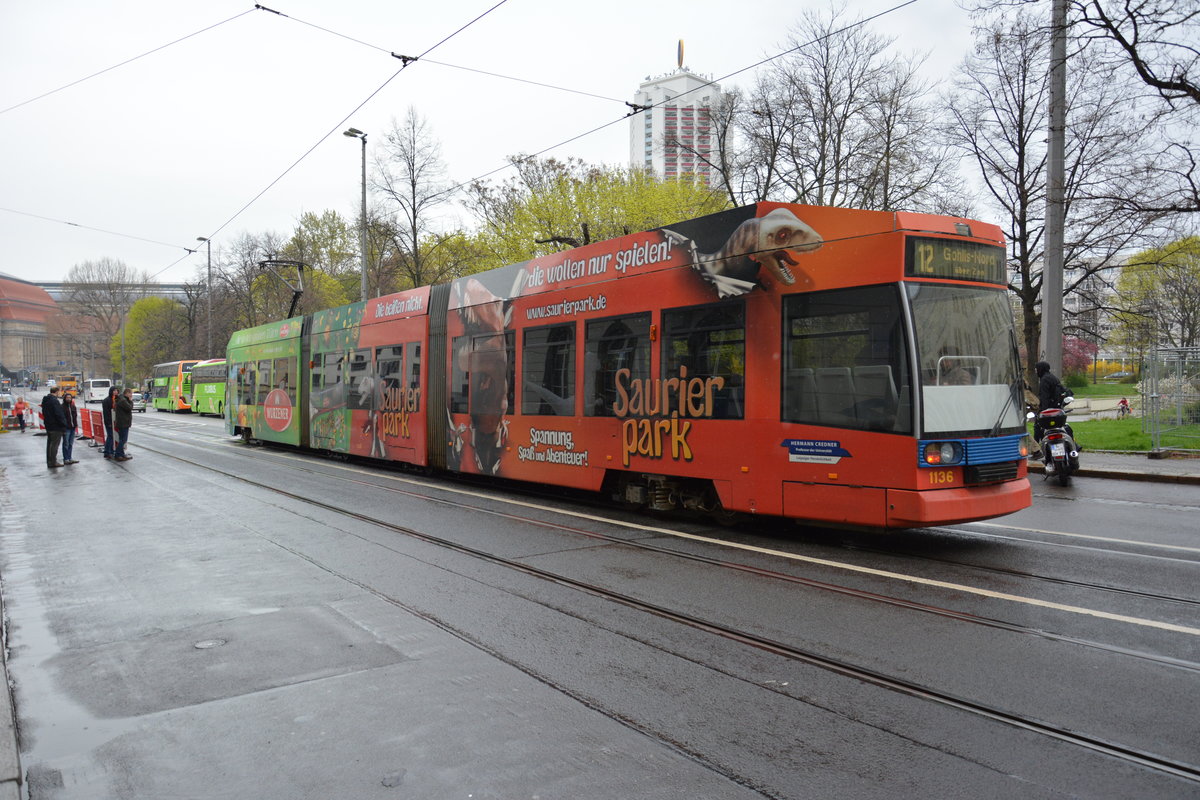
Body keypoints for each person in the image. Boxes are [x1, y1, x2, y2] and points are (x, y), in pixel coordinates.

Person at [1033, 360, 1069, 448]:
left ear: (1040, 369)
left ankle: (1037, 448)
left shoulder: (1044, 380)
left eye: (1037, 369)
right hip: (1057, 407)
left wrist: (1042, 411)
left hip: (1049, 408)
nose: (1036, 371)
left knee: (1038, 427)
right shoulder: (1053, 377)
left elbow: (1044, 396)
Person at [40, 386, 69, 468]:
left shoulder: (46, 400)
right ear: (56, 392)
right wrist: (64, 424)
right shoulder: (54, 401)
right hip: (56, 426)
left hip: (49, 425)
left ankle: (49, 461)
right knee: (54, 445)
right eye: (59, 391)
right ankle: (53, 462)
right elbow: (59, 414)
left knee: (50, 444)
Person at [113, 387, 134, 461]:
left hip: (122, 422)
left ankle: (121, 454)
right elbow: (129, 408)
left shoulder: (121, 399)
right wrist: (131, 401)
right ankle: (118, 454)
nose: (131, 395)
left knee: (122, 439)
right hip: (123, 423)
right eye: (130, 393)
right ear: (127, 393)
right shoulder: (123, 400)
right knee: (123, 440)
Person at [61, 391, 80, 465]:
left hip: (72, 427)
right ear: (64, 398)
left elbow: (74, 417)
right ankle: (66, 458)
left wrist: (75, 425)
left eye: (70, 397)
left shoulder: (73, 406)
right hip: (66, 428)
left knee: (71, 443)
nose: (69, 399)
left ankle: (70, 457)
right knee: (66, 443)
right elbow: (61, 418)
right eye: (67, 397)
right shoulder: (62, 407)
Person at [101, 386, 119, 459]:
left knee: (112, 436)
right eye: (114, 390)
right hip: (109, 421)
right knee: (110, 436)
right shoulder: (106, 400)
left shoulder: (117, 399)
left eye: (116, 390)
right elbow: (106, 413)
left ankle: (110, 451)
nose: (115, 392)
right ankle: (108, 452)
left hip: (116, 421)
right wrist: (108, 422)